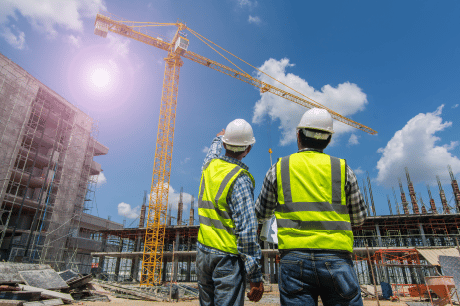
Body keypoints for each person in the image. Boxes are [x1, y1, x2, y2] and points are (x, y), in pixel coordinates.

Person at [255, 108, 367, 306]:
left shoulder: (279, 168)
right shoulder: (342, 168)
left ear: (298, 135)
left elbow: (260, 213)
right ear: (329, 139)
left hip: (294, 259)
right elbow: (359, 218)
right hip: (337, 258)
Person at [197, 118, 264, 306]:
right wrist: (255, 275)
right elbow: (247, 232)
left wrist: (217, 139)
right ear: (248, 149)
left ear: (225, 143)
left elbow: (210, 154)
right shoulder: (240, 179)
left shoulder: (208, 167)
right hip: (227, 258)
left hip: (203, 254)